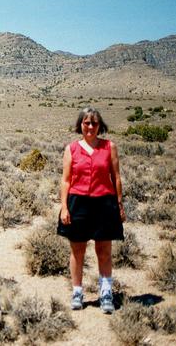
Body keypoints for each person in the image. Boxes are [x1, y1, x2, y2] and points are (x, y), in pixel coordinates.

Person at [57, 107, 125, 314]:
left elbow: (117, 177)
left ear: (100, 126)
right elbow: (66, 180)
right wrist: (64, 207)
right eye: (86, 122)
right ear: (80, 125)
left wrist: (119, 205)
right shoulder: (71, 149)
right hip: (78, 203)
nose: (90, 127)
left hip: (104, 203)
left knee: (103, 251)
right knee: (77, 251)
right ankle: (77, 292)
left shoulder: (109, 147)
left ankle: (106, 293)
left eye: (94, 123)